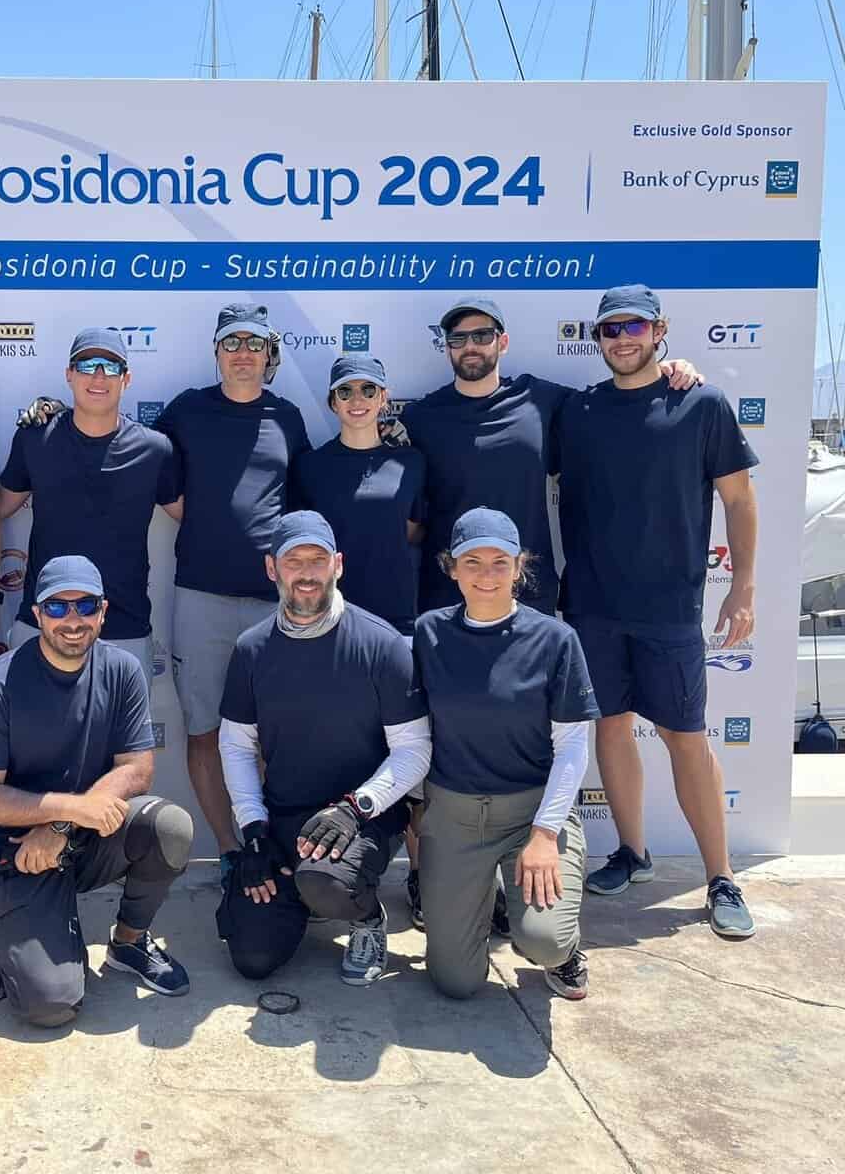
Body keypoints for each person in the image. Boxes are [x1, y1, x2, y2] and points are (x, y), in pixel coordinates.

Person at [397, 296, 700, 930]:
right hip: (444, 604)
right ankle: (433, 876)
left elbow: (625, 398)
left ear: (503, 343)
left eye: (483, 335)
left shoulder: (546, 402)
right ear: (446, 348)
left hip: (528, 602)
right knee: (439, 741)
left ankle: (525, 871)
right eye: (459, 339)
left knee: (531, 741)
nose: (471, 347)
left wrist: (676, 372)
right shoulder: (422, 416)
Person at [555, 284, 759, 939]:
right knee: (611, 729)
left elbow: (739, 500)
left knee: (685, 737)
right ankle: (632, 853)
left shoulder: (701, 402)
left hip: (670, 609)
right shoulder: (577, 410)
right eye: (610, 329)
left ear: (659, 330)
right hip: (591, 606)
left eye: (634, 327)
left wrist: (743, 586)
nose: (622, 339)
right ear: (598, 338)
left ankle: (721, 877)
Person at [0, 556, 194, 1027]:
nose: (72, 619)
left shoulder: (123, 670)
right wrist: (70, 811)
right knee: (52, 1005)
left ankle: (128, 943)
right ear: (37, 614)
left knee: (170, 826)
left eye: (85, 605)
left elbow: (138, 768)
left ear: (102, 612)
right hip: (15, 851)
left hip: (81, 838)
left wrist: (63, 824)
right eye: (57, 607)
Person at [216, 512, 432, 987]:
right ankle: (301, 888)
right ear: (272, 568)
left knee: (326, 882)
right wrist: (253, 830)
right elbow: (235, 745)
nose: (307, 573)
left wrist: (356, 808)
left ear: (338, 565)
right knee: (252, 957)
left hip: (364, 818)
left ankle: (365, 917)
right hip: (283, 817)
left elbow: (414, 750)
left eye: (318, 560)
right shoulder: (252, 649)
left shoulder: (383, 644)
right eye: (294, 561)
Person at [413, 508, 600, 1000]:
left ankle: (564, 948)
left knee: (544, 941)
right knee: (456, 982)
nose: (487, 575)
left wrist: (545, 834)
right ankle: (490, 895)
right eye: (472, 562)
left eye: (500, 562)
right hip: (454, 819)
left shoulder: (556, 640)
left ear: (519, 567)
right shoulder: (428, 634)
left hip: (532, 816)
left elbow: (572, 748)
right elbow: (411, 737)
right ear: (452, 569)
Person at [155, 303, 310, 859]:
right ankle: (230, 853)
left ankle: (275, 850)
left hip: (275, 603)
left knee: (272, 736)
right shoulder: (185, 411)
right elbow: (152, 474)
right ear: (217, 352)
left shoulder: (288, 418)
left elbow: (301, 507)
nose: (243, 353)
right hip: (201, 594)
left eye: (254, 343)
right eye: (232, 342)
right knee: (204, 731)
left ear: (269, 354)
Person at [0, 328, 180, 684]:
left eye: (110, 367)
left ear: (126, 379)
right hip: (43, 623)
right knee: (28, 722)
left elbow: (194, 513)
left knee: (125, 725)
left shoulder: (155, 450)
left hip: (124, 629)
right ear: (69, 374)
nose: (98, 376)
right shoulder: (35, 438)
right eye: (86, 365)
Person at [289, 354, 426, 636]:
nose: (357, 400)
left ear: (383, 398)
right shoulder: (310, 466)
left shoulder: (411, 463)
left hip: (396, 615)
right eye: (345, 391)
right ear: (333, 402)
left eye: (368, 390)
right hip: (329, 615)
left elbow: (412, 532)